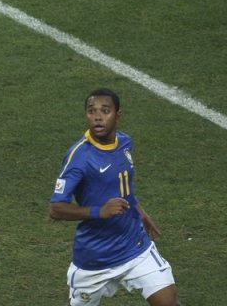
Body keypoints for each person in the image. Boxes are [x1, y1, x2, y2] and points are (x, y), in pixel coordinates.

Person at [49, 89, 180, 306]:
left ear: (118, 115)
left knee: (169, 302)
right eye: (91, 111)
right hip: (94, 260)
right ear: (85, 115)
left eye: (105, 111)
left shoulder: (125, 142)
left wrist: (139, 210)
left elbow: (123, 186)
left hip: (135, 246)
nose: (98, 117)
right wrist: (99, 211)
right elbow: (55, 208)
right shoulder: (79, 157)